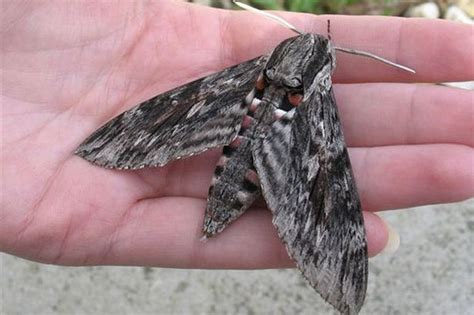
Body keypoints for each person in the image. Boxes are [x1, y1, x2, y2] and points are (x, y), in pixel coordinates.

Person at [1, 1, 472, 268]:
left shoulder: (252, 73)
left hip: (236, 128)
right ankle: (329, 260)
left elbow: (166, 115)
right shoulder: (319, 100)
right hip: (256, 157)